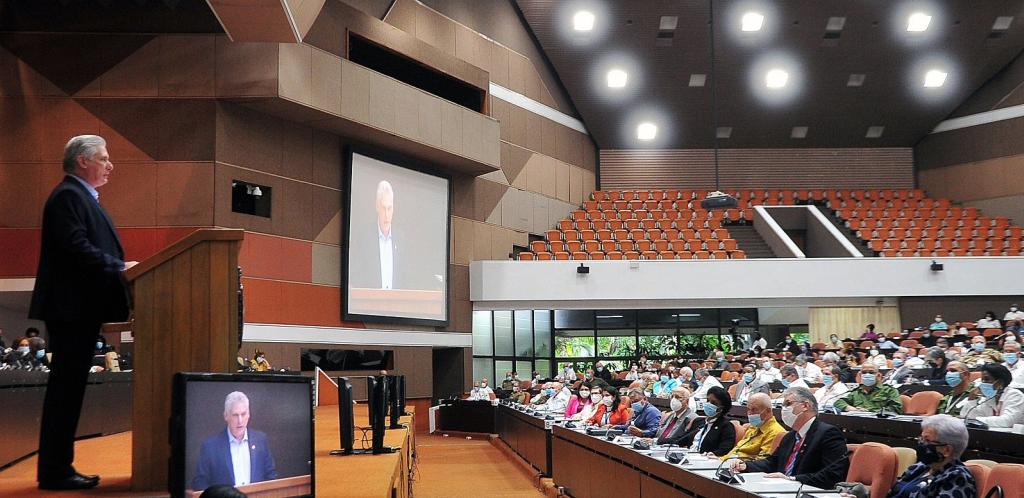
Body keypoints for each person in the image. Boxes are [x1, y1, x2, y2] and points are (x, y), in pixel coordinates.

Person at [31, 135, 137, 490]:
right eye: (103, 159)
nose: (110, 165)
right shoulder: (68, 197)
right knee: (65, 393)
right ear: (82, 162)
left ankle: (58, 468)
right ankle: (55, 471)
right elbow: (75, 246)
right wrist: (118, 267)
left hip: (79, 310)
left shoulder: (81, 198)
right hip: (70, 310)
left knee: (69, 392)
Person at [731, 387, 848, 489]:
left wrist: (792, 479)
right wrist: (746, 465)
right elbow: (772, 462)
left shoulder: (828, 433)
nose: (784, 409)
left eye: (788, 404)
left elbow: (833, 474)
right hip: (781, 489)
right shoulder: (790, 436)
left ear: (805, 406)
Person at [193, 392, 277, 490]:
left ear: (249, 414)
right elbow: (200, 482)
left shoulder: (261, 440)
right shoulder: (210, 446)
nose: (240, 420)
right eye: (235, 415)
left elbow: (271, 475)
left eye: (243, 414)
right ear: (226, 416)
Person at [884, 414, 975, 498]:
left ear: (947, 450)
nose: (921, 444)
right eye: (921, 439)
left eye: (927, 440)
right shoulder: (919, 467)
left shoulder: (957, 477)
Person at [720, 393, 786, 462]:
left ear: (768, 411)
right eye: (748, 409)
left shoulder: (775, 432)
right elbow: (738, 449)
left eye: (754, 409)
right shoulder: (753, 427)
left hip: (744, 468)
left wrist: (738, 464)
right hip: (728, 462)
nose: (750, 413)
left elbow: (762, 461)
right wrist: (720, 459)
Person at [957, 363, 1024, 428]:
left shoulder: (1015, 395)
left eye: (986, 379)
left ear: (1000, 382)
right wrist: (971, 400)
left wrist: (975, 420)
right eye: (982, 380)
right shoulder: (988, 397)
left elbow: (1007, 421)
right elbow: (966, 416)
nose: (982, 383)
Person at [833, 364, 903, 414]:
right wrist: (851, 409)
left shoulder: (889, 390)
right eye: (864, 372)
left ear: (878, 375)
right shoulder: (856, 392)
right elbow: (838, 402)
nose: (867, 374)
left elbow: (896, 409)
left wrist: (869, 412)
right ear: (860, 375)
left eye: (871, 372)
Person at [689, 386, 735, 456]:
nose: (708, 404)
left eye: (713, 403)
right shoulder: (699, 421)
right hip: (688, 456)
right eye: (708, 400)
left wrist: (710, 455)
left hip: (704, 461)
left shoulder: (726, 426)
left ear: (721, 408)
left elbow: (725, 450)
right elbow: (681, 440)